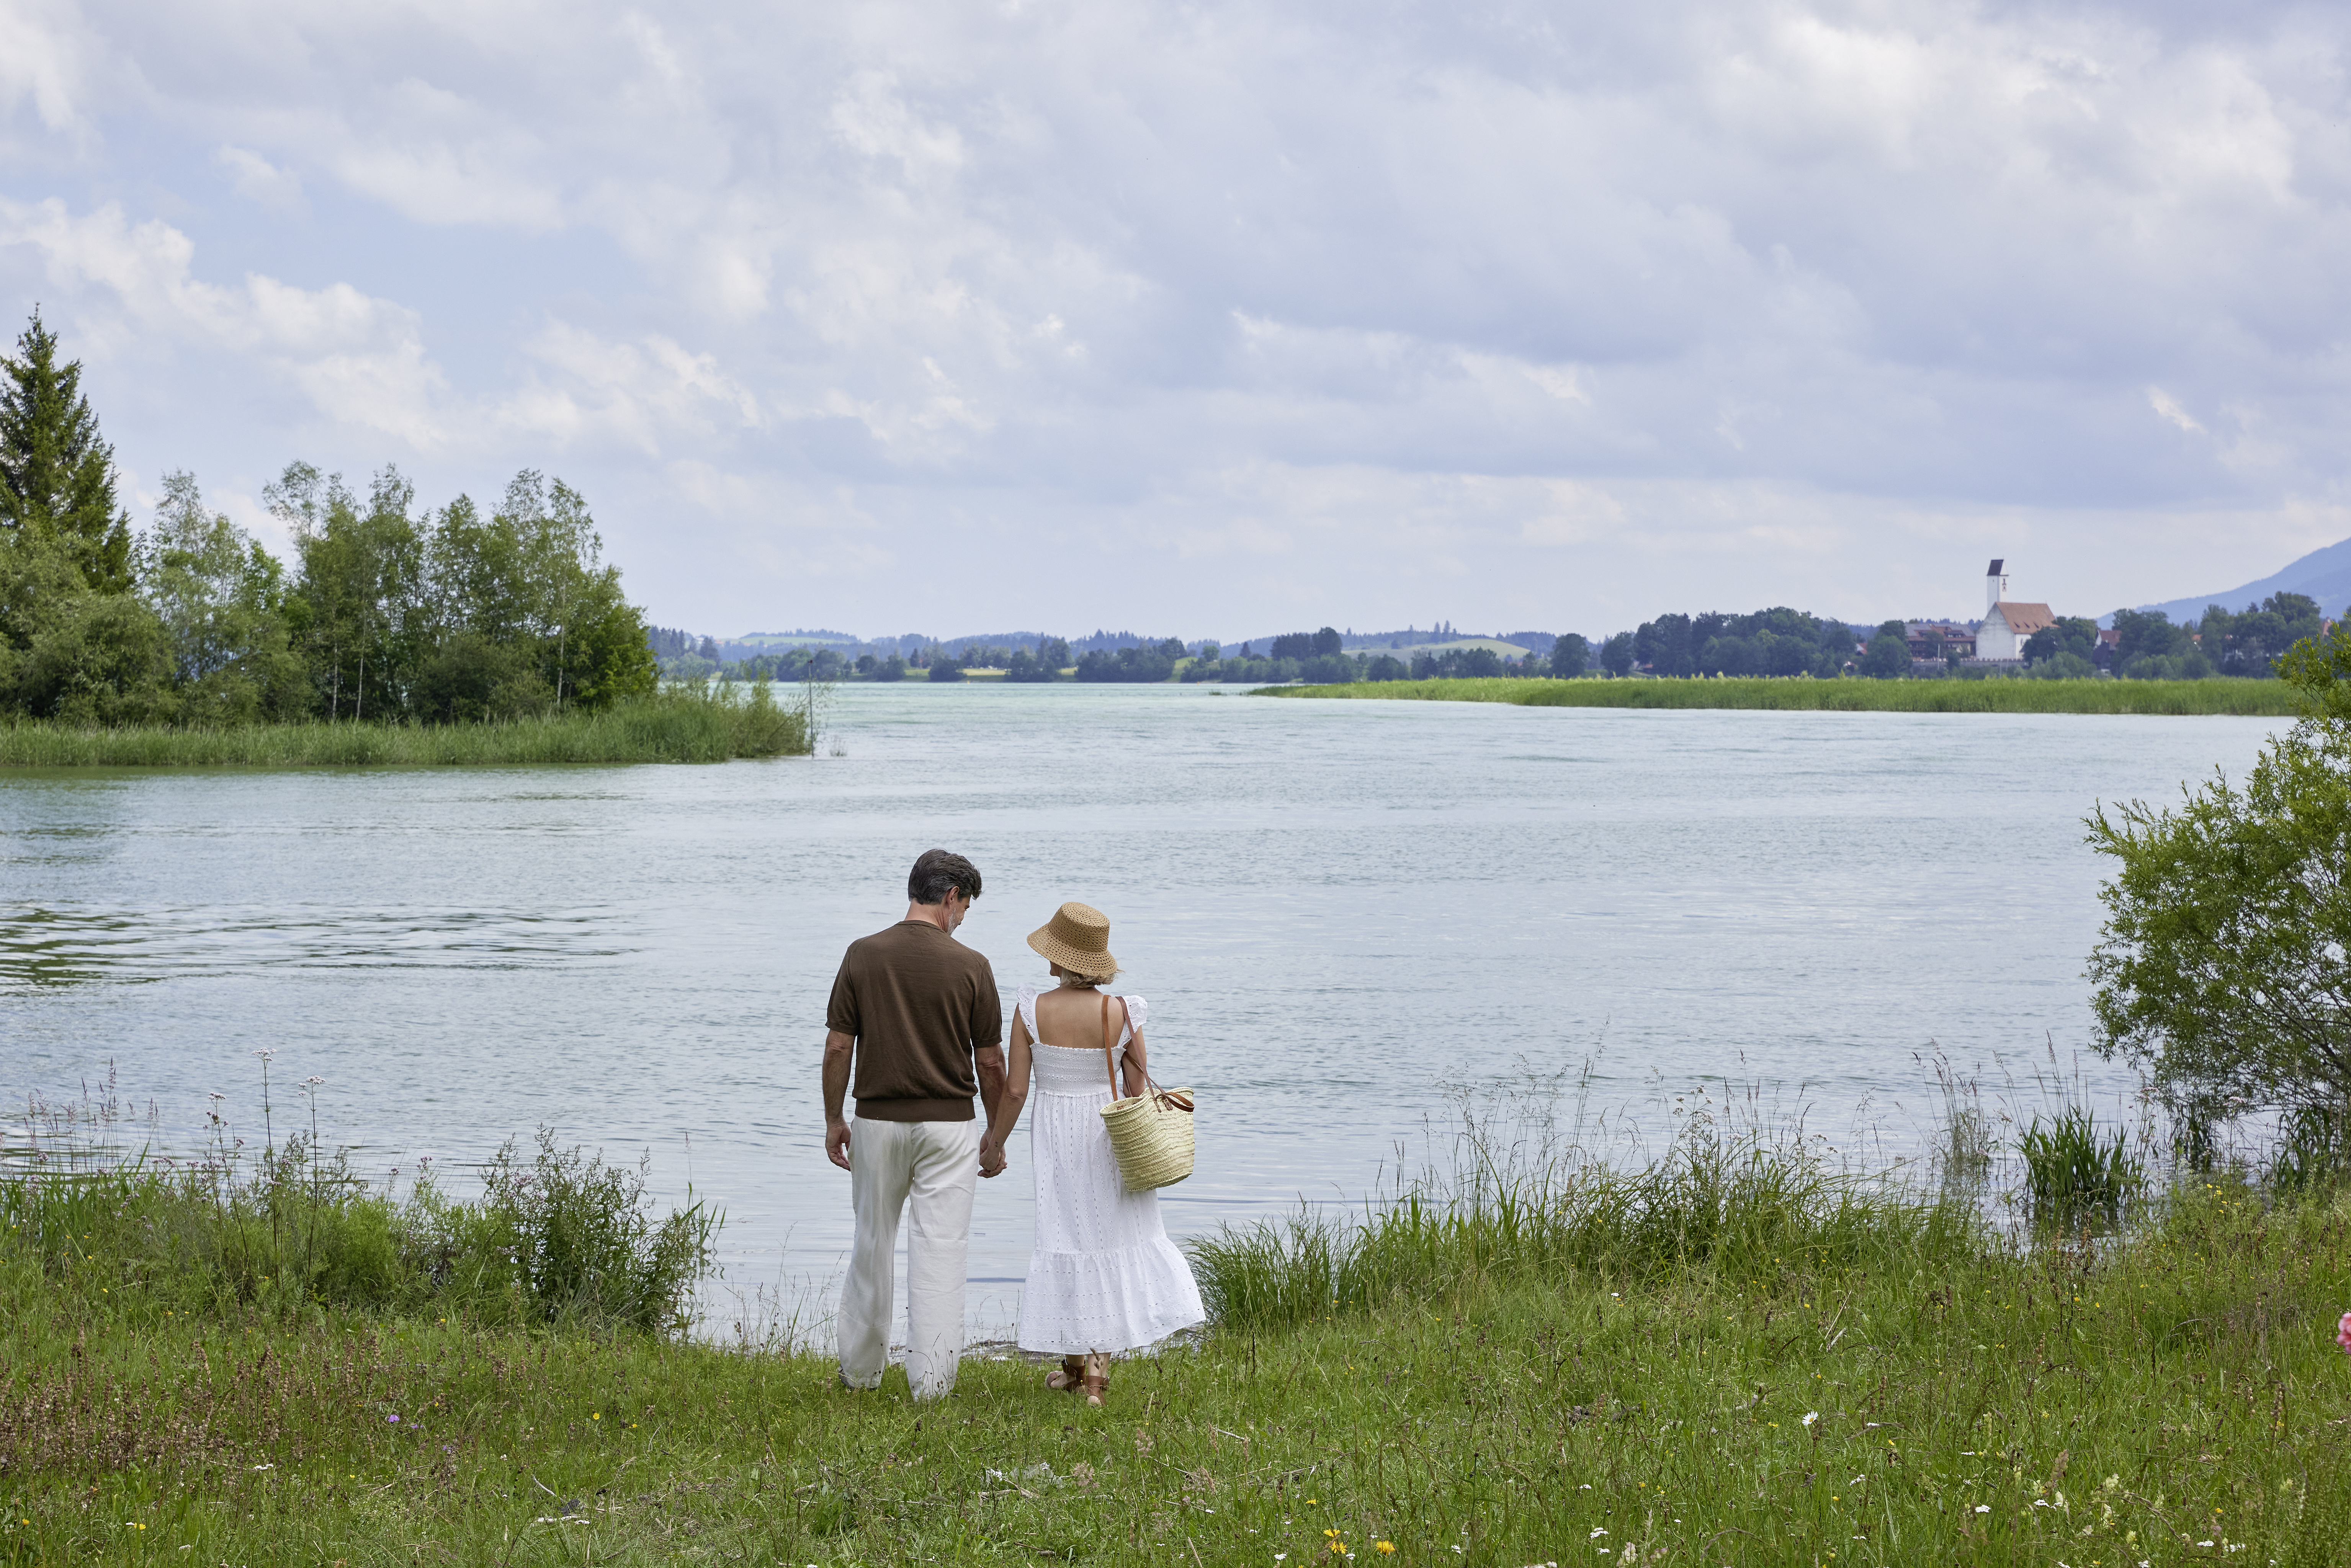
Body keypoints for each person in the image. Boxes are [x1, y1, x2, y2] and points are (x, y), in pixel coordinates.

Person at [978, 901, 1204, 1406]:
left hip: (1057, 1133)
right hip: (1107, 1132)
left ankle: (1075, 1369)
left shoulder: (1030, 1009)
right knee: (1111, 1236)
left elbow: (1014, 1091)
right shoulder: (1122, 1011)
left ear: (1056, 957)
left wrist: (995, 1145)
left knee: (1065, 1234)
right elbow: (1136, 1084)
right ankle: (1096, 1376)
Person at [824, 849, 1005, 1400]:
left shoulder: (862, 954)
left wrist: (834, 1118)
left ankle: (859, 1375)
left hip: (877, 1122)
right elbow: (992, 1062)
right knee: (941, 1248)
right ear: (950, 898)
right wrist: (995, 1134)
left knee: (871, 1243)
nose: (962, 920)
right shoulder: (972, 966)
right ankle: (931, 1384)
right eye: (965, 908)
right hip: (949, 1128)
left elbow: (838, 1047)